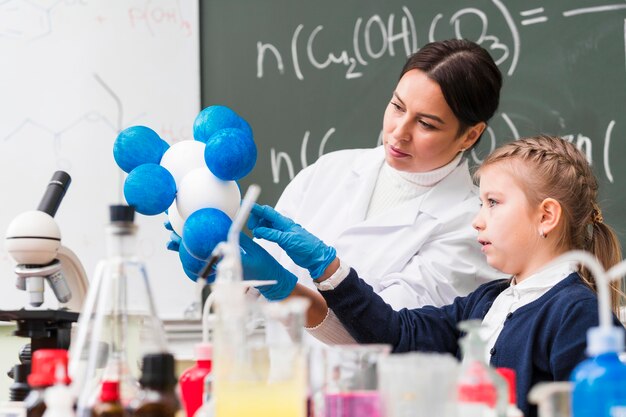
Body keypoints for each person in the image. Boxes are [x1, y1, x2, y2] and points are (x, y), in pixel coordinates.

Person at [243, 135, 625, 417]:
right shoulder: (488, 301)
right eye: (480, 203)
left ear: (546, 216)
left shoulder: (578, 313)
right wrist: (325, 266)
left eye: (493, 203)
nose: (477, 220)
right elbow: (395, 333)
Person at [254, 38, 505, 311]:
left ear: (470, 135)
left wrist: (289, 285)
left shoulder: (471, 229)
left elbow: (387, 327)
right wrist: (227, 270)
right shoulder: (328, 170)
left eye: (425, 124)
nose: (399, 132)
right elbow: (251, 282)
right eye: (397, 107)